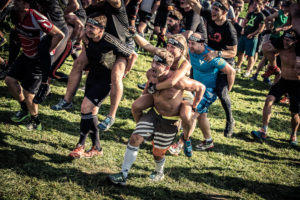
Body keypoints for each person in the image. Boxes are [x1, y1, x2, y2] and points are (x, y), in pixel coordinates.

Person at [108, 49, 205, 185]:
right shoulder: (151, 73)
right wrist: (144, 95)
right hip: (154, 113)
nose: (153, 66)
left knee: (157, 153)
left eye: (158, 64)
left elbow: (201, 87)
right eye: (153, 61)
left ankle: (159, 171)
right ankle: (123, 174)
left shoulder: (179, 82)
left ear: (166, 67)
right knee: (135, 138)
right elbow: (148, 85)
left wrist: (195, 106)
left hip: (169, 121)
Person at [51, 0, 138, 132]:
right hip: (98, 39)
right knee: (78, 63)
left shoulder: (115, 6)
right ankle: (67, 100)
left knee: (115, 75)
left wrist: (127, 69)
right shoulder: (89, 6)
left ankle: (111, 116)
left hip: (122, 45)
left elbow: (131, 54)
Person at [68, 15, 135, 158]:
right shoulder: (88, 37)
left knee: (85, 108)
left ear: (101, 30)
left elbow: (132, 55)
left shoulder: (111, 40)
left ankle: (80, 146)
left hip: (106, 81)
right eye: (87, 26)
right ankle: (97, 147)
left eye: (92, 27)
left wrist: (124, 72)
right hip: (93, 77)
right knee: (90, 113)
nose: (88, 30)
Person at [4, 0, 64, 130]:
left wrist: (46, 52)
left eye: (19, 1)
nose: (15, 2)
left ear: (26, 5)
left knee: (28, 92)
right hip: (26, 55)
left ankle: (35, 121)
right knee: (9, 80)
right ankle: (25, 108)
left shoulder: (35, 16)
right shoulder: (14, 13)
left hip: (38, 60)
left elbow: (59, 34)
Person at [188, 0, 237, 137]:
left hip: (224, 60)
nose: (213, 12)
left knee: (222, 93)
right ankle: (196, 110)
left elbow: (233, 52)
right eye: (213, 8)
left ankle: (230, 120)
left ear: (225, 13)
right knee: (193, 81)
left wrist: (218, 53)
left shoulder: (229, 29)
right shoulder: (210, 15)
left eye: (217, 10)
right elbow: (196, 6)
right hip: (207, 55)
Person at [251, 29, 299, 146]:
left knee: (294, 113)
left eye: (288, 41)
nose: (285, 43)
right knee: (269, 100)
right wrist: (274, 66)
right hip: (283, 80)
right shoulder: (281, 47)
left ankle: (293, 134)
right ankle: (263, 131)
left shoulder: (298, 53)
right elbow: (267, 49)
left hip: (296, 84)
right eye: (284, 40)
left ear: (295, 41)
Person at [188, 33, 235, 150]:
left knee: (192, 115)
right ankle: (208, 141)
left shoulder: (211, 56)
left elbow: (231, 71)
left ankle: (181, 143)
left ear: (201, 44)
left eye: (193, 44)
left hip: (209, 91)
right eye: (189, 43)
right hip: (197, 88)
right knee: (201, 115)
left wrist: (228, 89)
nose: (190, 46)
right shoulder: (191, 51)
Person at [235, 0, 265, 77]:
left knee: (250, 55)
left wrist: (252, 34)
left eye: (256, 4)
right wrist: (242, 29)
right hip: (244, 35)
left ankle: (248, 71)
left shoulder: (261, 16)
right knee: (240, 52)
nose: (254, 6)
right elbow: (245, 22)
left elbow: (260, 29)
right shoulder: (250, 13)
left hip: (252, 38)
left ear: (260, 5)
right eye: (253, 4)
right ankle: (238, 67)